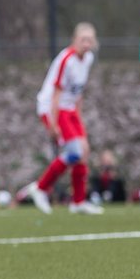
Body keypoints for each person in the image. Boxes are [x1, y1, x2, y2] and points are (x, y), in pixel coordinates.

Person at [21, 22, 103, 216]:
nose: (86, 44)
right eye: (83, 40)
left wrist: (79, 119)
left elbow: (78, 93)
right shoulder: (67, 60)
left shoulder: (88, 59)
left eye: (90, 40)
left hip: (71, 108)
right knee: (74, 152)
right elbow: (56, 94)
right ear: (75, 40)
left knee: (83, 151)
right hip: (53, 108)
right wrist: (54, 123)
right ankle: (40, 188)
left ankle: (78, 202)